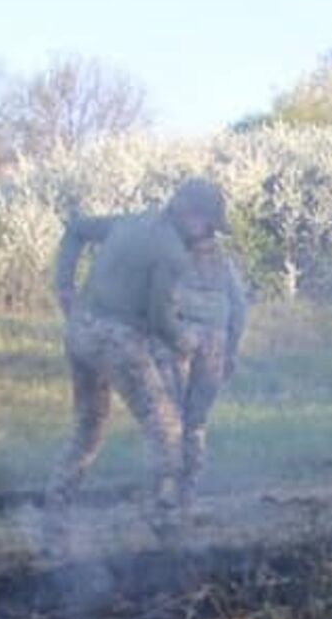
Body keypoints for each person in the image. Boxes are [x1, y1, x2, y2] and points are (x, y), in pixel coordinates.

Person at [48, 178, 229, 510]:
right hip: (117, 341)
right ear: (189, 213)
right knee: (167, 433)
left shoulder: (132, 221)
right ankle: (162, 524)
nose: (208, 235)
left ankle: (54, 517)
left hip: (78, 332)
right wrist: (188, 341)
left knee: (88, 428)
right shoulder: (172, 252)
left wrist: (64, 285)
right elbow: (160, 320)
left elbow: (75, 230)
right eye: (208, 226)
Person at [167, 232, 249, 506]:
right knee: (196, 420)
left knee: (171, 417)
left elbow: (157, 302)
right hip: (215, 341)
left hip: (179, 338)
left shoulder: (172, 257)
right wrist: (232, 349)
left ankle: (167, 487)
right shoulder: (224, 263)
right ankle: (187, 491)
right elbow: (239, 308)